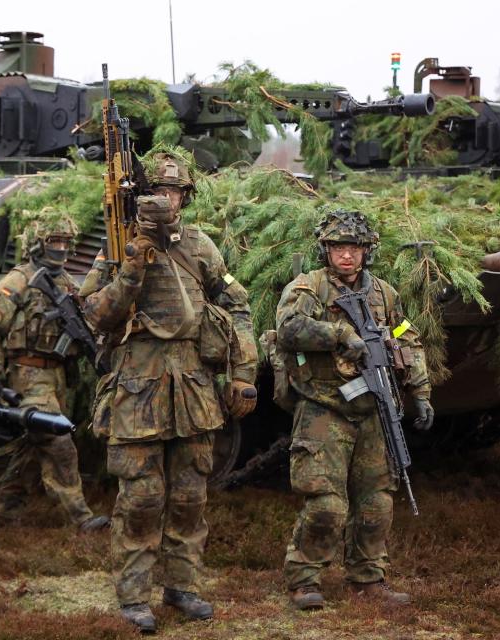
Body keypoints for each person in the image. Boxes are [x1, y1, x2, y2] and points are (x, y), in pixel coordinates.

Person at [84, 178, 257, 632]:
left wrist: (243, 373)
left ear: (186, 197)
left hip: (194, 387)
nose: (166, 198)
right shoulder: (119, 245)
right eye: (157, 189)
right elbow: (97, 315)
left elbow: (237, 306)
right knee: (141, 498)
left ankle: (182, 586)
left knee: (189, 497)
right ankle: (134, 596)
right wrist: (133, 266)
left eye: (175, 191)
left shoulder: (200, 245)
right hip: (137, 385)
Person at [276, 209, 433, 610]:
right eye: (338, 247)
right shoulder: (307, 288)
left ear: (367, 251)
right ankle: (304, 579)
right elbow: (290, 330)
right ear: (325, 250)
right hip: (324, 406)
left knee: (377, 501)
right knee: (326, 503)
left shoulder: (384, 294)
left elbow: (406, 338)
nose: (346, 256)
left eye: (354, 248)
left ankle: (368, 577)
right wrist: (340, 334)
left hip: (375, 406)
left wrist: (421, 391)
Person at [0, 209, 109, 532]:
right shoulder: (18, 281)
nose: (61, 249)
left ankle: (7, 508)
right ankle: (79, 516)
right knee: (57, 439)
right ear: (38, 243)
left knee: (35, 441)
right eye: (54, 241)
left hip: (57, 376)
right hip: (28, 374)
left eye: (67, 242)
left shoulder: (63, 281)